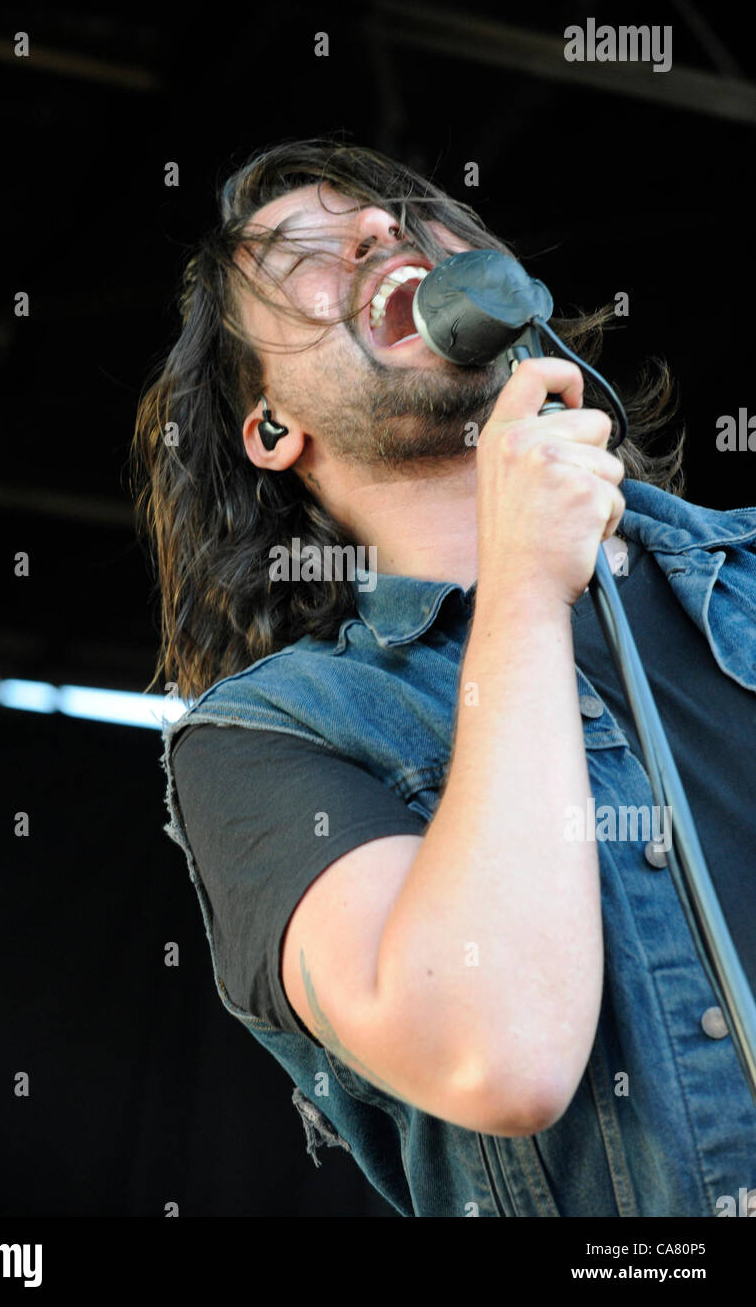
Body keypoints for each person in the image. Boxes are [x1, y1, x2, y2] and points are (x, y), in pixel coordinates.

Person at [132, 137, 756, 1217]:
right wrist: (520, 580)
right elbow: (495, 1052)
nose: (378, 232)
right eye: (300, 257)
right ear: (273, 428)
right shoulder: (267, 741)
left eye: (400, 213)